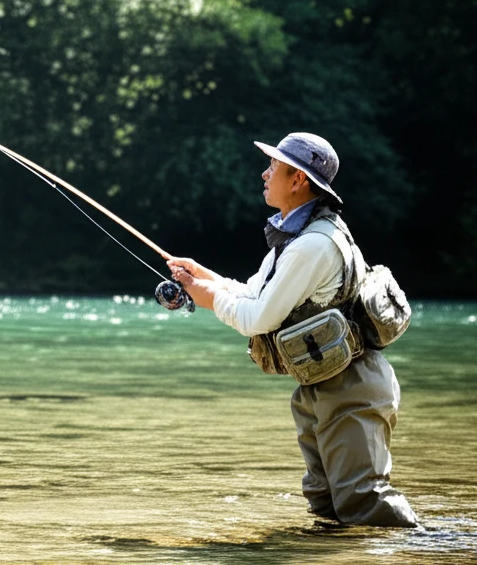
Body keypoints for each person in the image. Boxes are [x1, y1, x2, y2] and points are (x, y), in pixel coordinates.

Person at [166, 132, 418, 528]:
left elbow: (257, 318)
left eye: (273, 167)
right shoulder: (297, 234)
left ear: (298, 179)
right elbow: (253, 292)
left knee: (363, 503)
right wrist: (205, 277)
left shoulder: (313, 245)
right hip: (320, 384)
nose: (264, 174)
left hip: (352, 387)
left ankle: (428, 550)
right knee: (326, 502)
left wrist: (208, 297)